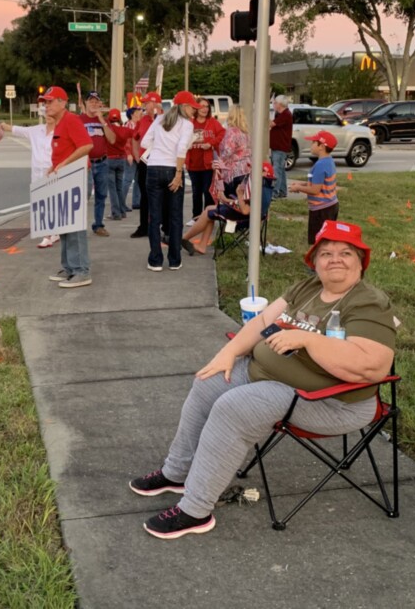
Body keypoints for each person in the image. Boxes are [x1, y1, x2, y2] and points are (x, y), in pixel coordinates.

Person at [129, 220, 398, 539]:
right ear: (315, 262)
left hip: (329, 401)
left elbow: (373, 366)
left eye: (345, 252)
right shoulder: (307, 288)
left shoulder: (368, 302)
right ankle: (177, 472)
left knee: (234, 406)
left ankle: (195, 510)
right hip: (271, 377)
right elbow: (263, 321)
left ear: (360, 262)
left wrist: (308, 340)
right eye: (325, 253)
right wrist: (228, 353)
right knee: (209, 381)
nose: (334, 259)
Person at [41, 86, 94, 288]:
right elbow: (65, 149)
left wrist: (64, 164)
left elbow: (86, 145)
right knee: (64, 224)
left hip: (76, 177)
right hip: (65, 178)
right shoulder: (60, 123)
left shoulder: (71, 120)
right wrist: (54, 166)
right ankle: (70, 268)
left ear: (62, 103)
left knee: (75, 226)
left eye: (50, 101)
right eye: (45, 102)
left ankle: (81, 270)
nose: (46, 106)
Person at [140, 90, 197, 271]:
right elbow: (181, 149)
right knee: (175, 216)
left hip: (154, 168)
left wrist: (159, 147)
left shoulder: (159, 120)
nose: (194, 111)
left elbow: (143, 143)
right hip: (173, 168)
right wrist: (179, 173)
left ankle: (155, 260)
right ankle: (174, 259)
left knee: (154, 217)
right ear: (185, 107)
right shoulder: (186, 124)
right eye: (192, 108)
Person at [181, 162, 274, 256]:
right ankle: (200, 245)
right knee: (210, 209)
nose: (251, 171)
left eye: (255, 170)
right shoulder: (265, 187)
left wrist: (239, 194)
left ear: (264, 173)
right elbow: (247, 204)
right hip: (248, 215)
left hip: (244, 219)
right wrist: (227, 199)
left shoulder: (259, 188)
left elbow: (245, 210)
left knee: (209, 212)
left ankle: (184, 239)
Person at [0, 113, 59, 248]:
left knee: (52, 203)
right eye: (47, 114)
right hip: (37, 172)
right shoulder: (37, 130)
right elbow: (18, 130)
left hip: (53, 171)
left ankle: (50, 234)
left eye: (52, 115)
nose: (49, 116)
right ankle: (51, 233)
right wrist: (4, 126)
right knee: (40, 204)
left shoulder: (61, 131)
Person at [289, 130, 339, 244]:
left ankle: (318, 260)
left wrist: (298, 188)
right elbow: (318, 183)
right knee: (326, 239)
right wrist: (301, 184)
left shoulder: (320, 165)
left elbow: (315, 190)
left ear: (321, 146)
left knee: (318, 241)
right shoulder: (329, 161)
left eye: (313, 143)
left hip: (321, 210)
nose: (310, 145)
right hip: (331, 205)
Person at [79, 91, 117, 237]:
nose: (94, 104)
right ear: (86, 103)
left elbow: (112, 139)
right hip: (85, 163)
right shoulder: (79, 120)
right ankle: (79, 225)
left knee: (101, 194)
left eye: (96, 101)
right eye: (91, 101)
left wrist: (102, 120)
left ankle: (98, 224)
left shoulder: (104, 121)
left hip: (102, 162)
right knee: (85, 195)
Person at [186, 98, 225, 222]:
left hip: (208, 164)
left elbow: (222, 134)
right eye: (202, 106)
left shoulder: (212, 122)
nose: (204, 109)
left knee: (207, 192)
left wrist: (211, 143)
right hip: (193, 163)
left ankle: (208, 217)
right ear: (196, 108)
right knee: (196, 192)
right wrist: (187, 145)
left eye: (207, 106)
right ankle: (196, 217)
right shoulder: (189, 123)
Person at [130, 92, 162, 239]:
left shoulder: (164, 120)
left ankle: (161, 225)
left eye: (147, 103)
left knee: (160, 195)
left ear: (155, 104)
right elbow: (135, 138)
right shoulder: (142, 121)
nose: (144, 106)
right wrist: (137, 156)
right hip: (145, 162)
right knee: (145, 195)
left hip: (160, 162)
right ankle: (144, 226)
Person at [212, 105, 251, 203]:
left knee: (231, 202)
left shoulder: (231, 132)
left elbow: (227, 151)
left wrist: (218, 161)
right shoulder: (245, 132)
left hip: (233, 172)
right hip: (246, 169)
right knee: (242, 201)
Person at [104, 108, 133, 221]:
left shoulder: (108, 130)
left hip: (109, 159)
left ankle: (115, 213)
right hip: (121, 159)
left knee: (112, 189)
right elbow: (135, 134)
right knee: (119, 187)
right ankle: (122, 210)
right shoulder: (124, 130)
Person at [269, 95, 293, 199]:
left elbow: (271, 124)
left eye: (274, 103)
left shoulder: (285, 114)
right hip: (278, 146)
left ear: (279, 104)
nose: (273, 105)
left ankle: (275, 192)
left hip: (280, 146)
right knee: (281, 169)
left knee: (277, 169)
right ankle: (283, 191)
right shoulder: (281, 114)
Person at [123, 105, 143, 210]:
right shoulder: (128, 125)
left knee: (138, 179)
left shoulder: (139, 124)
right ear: (132, 114)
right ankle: (121, 203)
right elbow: (126, 141)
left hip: (139, 156)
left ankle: (136, 201)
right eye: (138, 111)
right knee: (127, 179)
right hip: (131, 155)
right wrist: (128, 154)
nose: (141, 112)